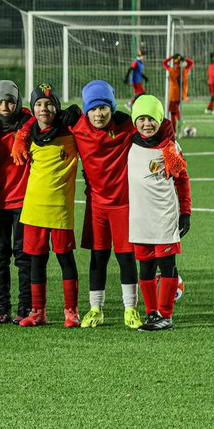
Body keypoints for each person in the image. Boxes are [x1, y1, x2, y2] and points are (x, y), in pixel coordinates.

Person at [57, 80, 141, 329]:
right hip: (96, 206)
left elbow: (157, 127)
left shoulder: (126, 126)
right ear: (85, 110)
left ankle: (131, 309)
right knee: (98, 257)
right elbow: (41, 118)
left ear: (112, 107)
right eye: (93, 109)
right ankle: (96, 309)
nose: (98, 114)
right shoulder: (78, 125)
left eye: (104, 107)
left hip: (124, 205)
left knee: (126, 258)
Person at [11, 84, 80, 328]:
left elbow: (91, 129)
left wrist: (77, 111)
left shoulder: (70, 131)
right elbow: (24, 125)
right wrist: (21, 135)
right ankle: (38, 311)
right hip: (33, 207)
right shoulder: (28, 134)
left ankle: (71, 311)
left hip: (60, 207)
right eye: (39, 104)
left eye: (49, 103)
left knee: (65, 259)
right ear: (33, 108)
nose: (44, 109)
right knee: (36, 261)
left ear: (57, 107)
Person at [127, 95, 191, 331]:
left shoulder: (170, 147)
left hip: (164, 217)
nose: (147, 124)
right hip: (139, 219)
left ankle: (166, 315)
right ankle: (151, 313)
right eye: (141, 119)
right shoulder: (129, 143)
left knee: (166, 265)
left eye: (152, 119)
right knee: (145, 268)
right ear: (135, 121)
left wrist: (186, 212)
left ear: (160, 119)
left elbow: (182, 180)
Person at [0, 81, 33, 323]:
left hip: (23, 200)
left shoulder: (28, 121)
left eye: (10, 101)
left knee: (24, 254)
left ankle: (25, 306)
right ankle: (2, 306)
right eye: (0, 102)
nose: (5, 106)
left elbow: (48, 117)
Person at [163, 54, 194, 128]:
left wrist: (171, 57)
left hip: (173, 95)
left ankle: (175, 129)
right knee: (175, 109)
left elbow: (164, 63)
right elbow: (191, 62)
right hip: (181, 95)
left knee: (172, 113)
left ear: (174, 62)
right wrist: (183, 58)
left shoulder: (171, 70)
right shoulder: (185, 71)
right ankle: (180, 119)